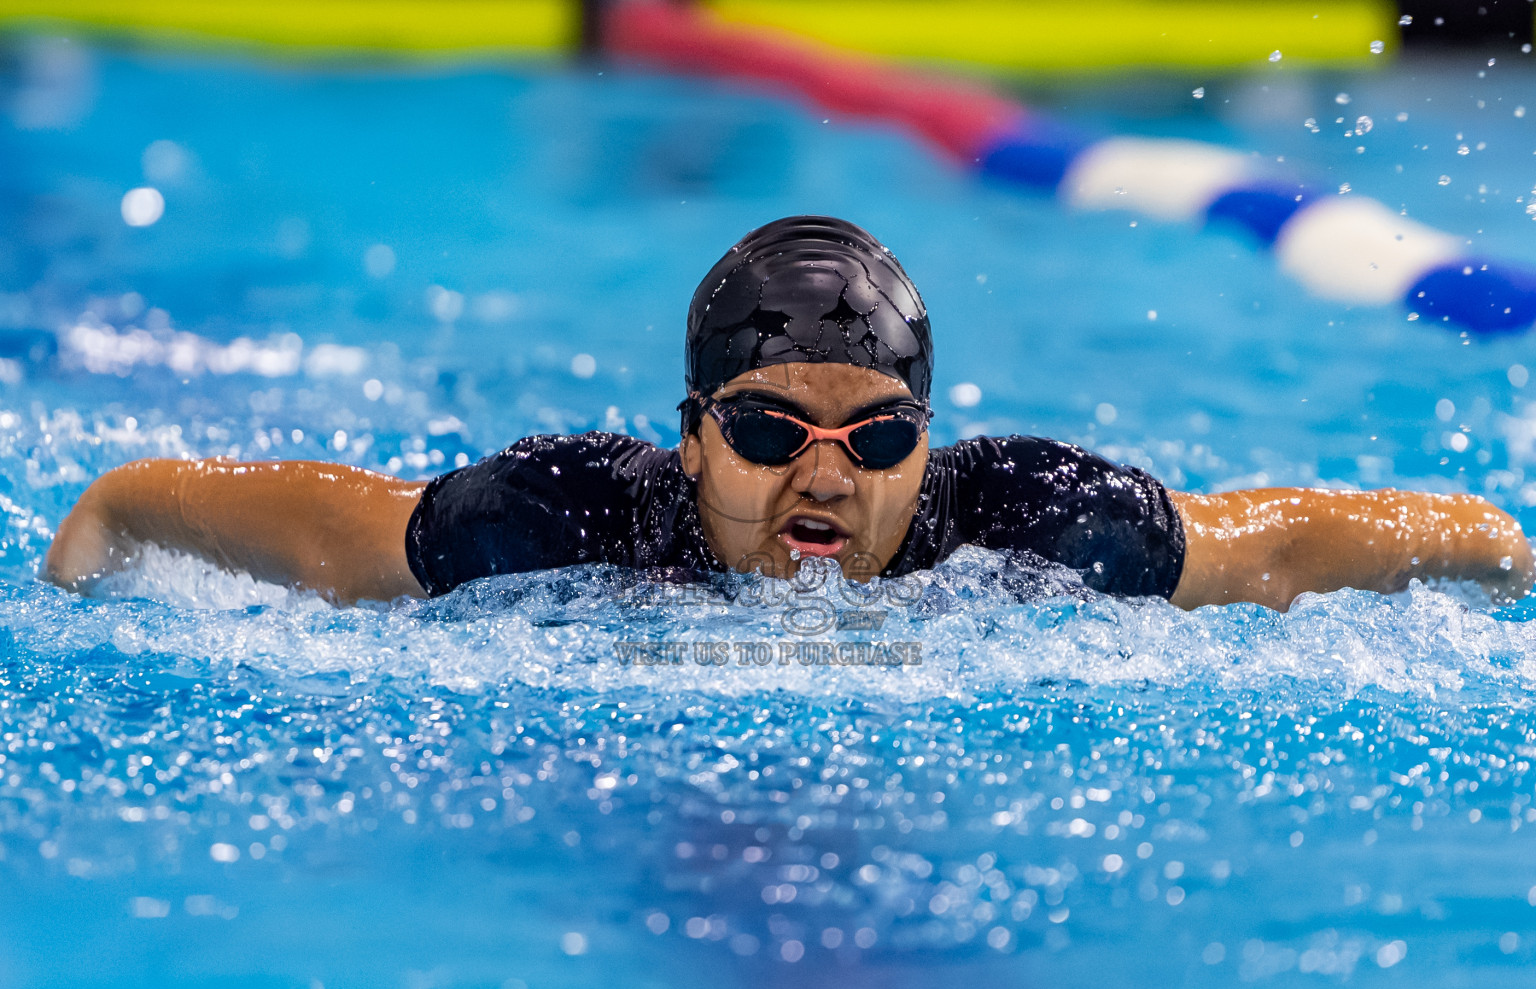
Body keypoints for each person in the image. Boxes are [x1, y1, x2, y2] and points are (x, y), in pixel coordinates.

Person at [43, 216, 1535, 611]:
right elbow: (329, 535)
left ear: (925, 448)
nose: (825, 475)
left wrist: (1502, 546)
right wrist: (114, 504)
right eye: (767, 433)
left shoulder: (1026, 521)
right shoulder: (565, 516)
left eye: (875, 438)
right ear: (691, 437)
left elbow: (1269, 549)